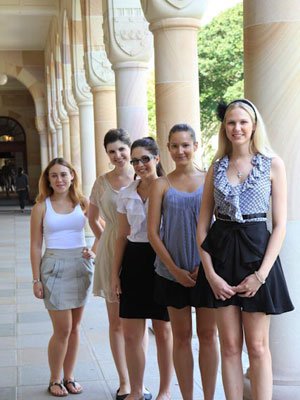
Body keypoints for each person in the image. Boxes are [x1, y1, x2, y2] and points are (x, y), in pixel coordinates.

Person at [196, 99, 294, 400]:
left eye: (242, 122)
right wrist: (211, 276)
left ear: (253, 126)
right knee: (228, 346)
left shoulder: (272, 164)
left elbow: (279, 225)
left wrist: (261, 275)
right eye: (230, 122)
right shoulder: (216, 167)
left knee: (258, 346)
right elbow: (202, 225)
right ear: (224, 128)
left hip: (257, 257)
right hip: (222, 256)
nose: (236, 128)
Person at [148, 124, 219, 400]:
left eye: (185, 145)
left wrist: (205, 265)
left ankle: (209, 397)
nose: (180, 151)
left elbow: (216, 226)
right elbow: (154, 233)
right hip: (170, 272)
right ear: (168, 148)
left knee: (208, 335)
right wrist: (175, 270)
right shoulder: (161, 184)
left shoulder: (209, 179)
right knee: (180, 336)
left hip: (207, 270)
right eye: (175, 146)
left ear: (196, 146)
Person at [111, 137, 173, 400]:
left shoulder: (171, 189)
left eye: (145, 159)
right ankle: (136, 391)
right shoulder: (126, 193)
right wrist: (115, 274)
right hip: (135, 260)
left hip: (163, 259)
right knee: (131, 332)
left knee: (164, 330)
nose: (139, 165)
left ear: (157, 158)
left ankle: (165, 392)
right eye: (135, 160)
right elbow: (122, 234)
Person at [30, 157, 94, 397]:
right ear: (48, 179)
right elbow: (36, 245)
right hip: (53, 267)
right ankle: (54, 378)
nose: (59, 179)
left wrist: (94, 251)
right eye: (54, 175)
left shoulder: (83, 202)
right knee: (63, 328)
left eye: (64, 174)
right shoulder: (41, 207)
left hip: (80, 265)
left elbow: (105, 228)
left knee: (75, 327)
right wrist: (36, 279)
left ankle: (69, 376)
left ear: (72, 176)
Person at [88, 129, 133, 400]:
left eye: (121, 149)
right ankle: (124, 382)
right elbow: (92, 218)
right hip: (109, 249)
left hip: (140, 249)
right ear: (107, 154)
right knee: (116, 322)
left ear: (129, 148)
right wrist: (105, 240)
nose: (117, 155)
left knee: (138, 319)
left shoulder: (144, 177)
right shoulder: (101, 182)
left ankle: (138, 379)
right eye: (112, 151)